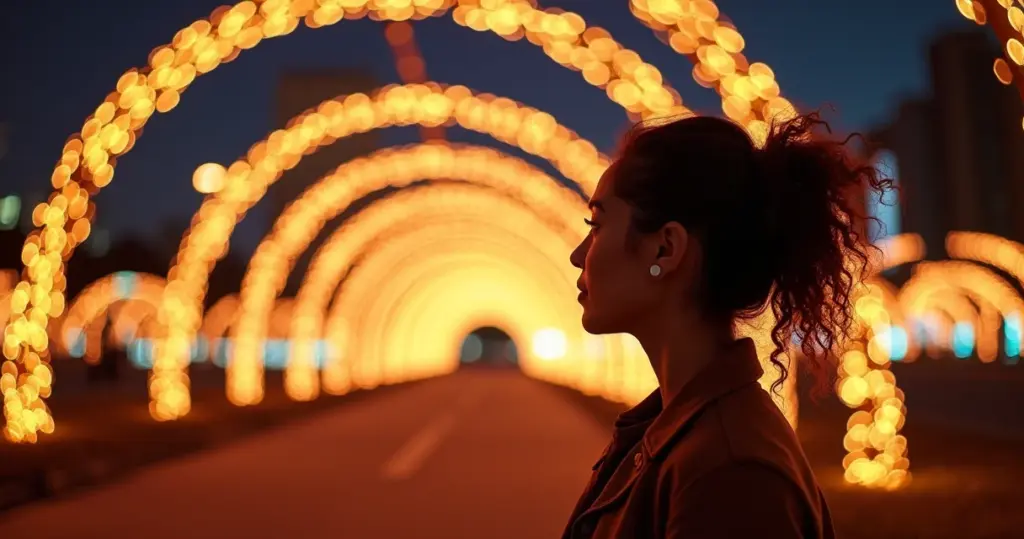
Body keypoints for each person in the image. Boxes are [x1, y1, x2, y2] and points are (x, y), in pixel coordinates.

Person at [563, 112, 891, 538]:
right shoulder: (677, 434)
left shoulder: (732, 475)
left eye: (597, 224)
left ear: (665, 250)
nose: (578, 254)